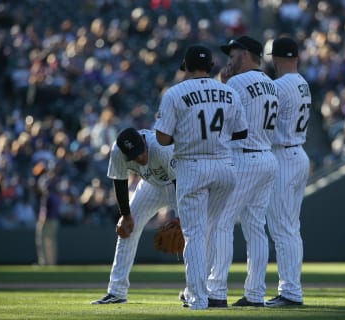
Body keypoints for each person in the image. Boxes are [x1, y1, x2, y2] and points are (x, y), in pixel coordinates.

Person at [155, 44, 248, 310]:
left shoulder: (175, 93)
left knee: (194, 233)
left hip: (192, 165)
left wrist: (186, 133)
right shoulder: (229, 92)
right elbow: (240, 133)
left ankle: (197, 297)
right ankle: (211, 288)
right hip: (223, 166)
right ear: (210, 68)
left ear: (186, 68)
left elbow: (161, 139)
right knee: (213, 229)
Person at [218, 35, 279, 307]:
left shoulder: (236, 82)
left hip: (244, 157)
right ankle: (255, 294)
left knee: (222, 221)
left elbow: (222, 122)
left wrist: (223, 84)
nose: (229, 60)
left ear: (245, 54)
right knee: (256, 228)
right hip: (267, 157)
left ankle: (215, 290)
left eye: (233, 55)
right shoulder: (271, 84)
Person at [91, 127, 177, 304]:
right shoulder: (117, 151)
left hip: (177, 184)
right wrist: (126, 215)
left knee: (195, 231)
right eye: (134, 156)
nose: (140, 158)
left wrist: (183, 217)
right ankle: (116, 291)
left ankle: (195, 291)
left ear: (144, 141)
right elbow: (120, 181)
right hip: (150, 186)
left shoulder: (161, 146)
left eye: (140, 152)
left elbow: (180, 182)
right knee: (127, 229)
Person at [264, 37, 311, 307]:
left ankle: (290, 291)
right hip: (298, 153)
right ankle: (292, 288)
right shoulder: (302, 82)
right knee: (291, 228)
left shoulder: (277, 86)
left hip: (282, 154)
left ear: (275, 57)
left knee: (282, 229)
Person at [34, 167, 61, 266]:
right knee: (52, 243)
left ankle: (43, 262)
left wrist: (42, 220)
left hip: (47, 220)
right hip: (55, 221)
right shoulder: (56, 195)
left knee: (42, 241)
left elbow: (44, 210)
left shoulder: (47, 195)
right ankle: (51, 262)